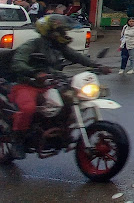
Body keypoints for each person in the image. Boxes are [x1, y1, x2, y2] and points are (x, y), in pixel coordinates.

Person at [7, 14, 112, 159]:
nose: (64, 34)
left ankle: (60, 130)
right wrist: (35, 72)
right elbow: (18, 62)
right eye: (61, 31)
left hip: (50, 83)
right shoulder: (32, 45)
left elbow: (76, 56)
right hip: (27, 84)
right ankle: (17, 142)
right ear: (50, 32)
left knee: (68, 99)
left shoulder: (58, 46)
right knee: (28, 108)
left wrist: (97, 66)